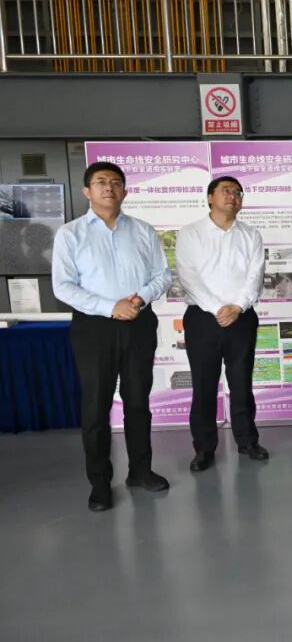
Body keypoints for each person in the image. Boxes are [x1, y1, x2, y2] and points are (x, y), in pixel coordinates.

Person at [52, 162, 172, 512]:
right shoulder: (70, 234)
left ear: (125, 191)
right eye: (101, 182)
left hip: (138, 322)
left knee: (138, 402)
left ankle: (140, 471)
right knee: (96, 406)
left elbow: (162, 275)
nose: (109, 187)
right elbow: (63, 286)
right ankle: (100, 483)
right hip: (94, 328)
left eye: (116, 182)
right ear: (87, 191)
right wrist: (110, 307)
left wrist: (139, 299)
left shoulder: (143, 230)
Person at [175, 176, 268, 473]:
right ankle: (204, 448)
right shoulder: (190, 233)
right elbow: (188, 276)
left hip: (241, 316)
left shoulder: (251, 235)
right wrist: (218, 308)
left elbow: (255, 275)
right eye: (226, 191)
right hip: (203, 318)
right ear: (210, 198)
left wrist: (237, 306)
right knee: (203, 384)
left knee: (241, 382)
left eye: (238, 192)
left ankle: (247, 441)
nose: (233, 196)